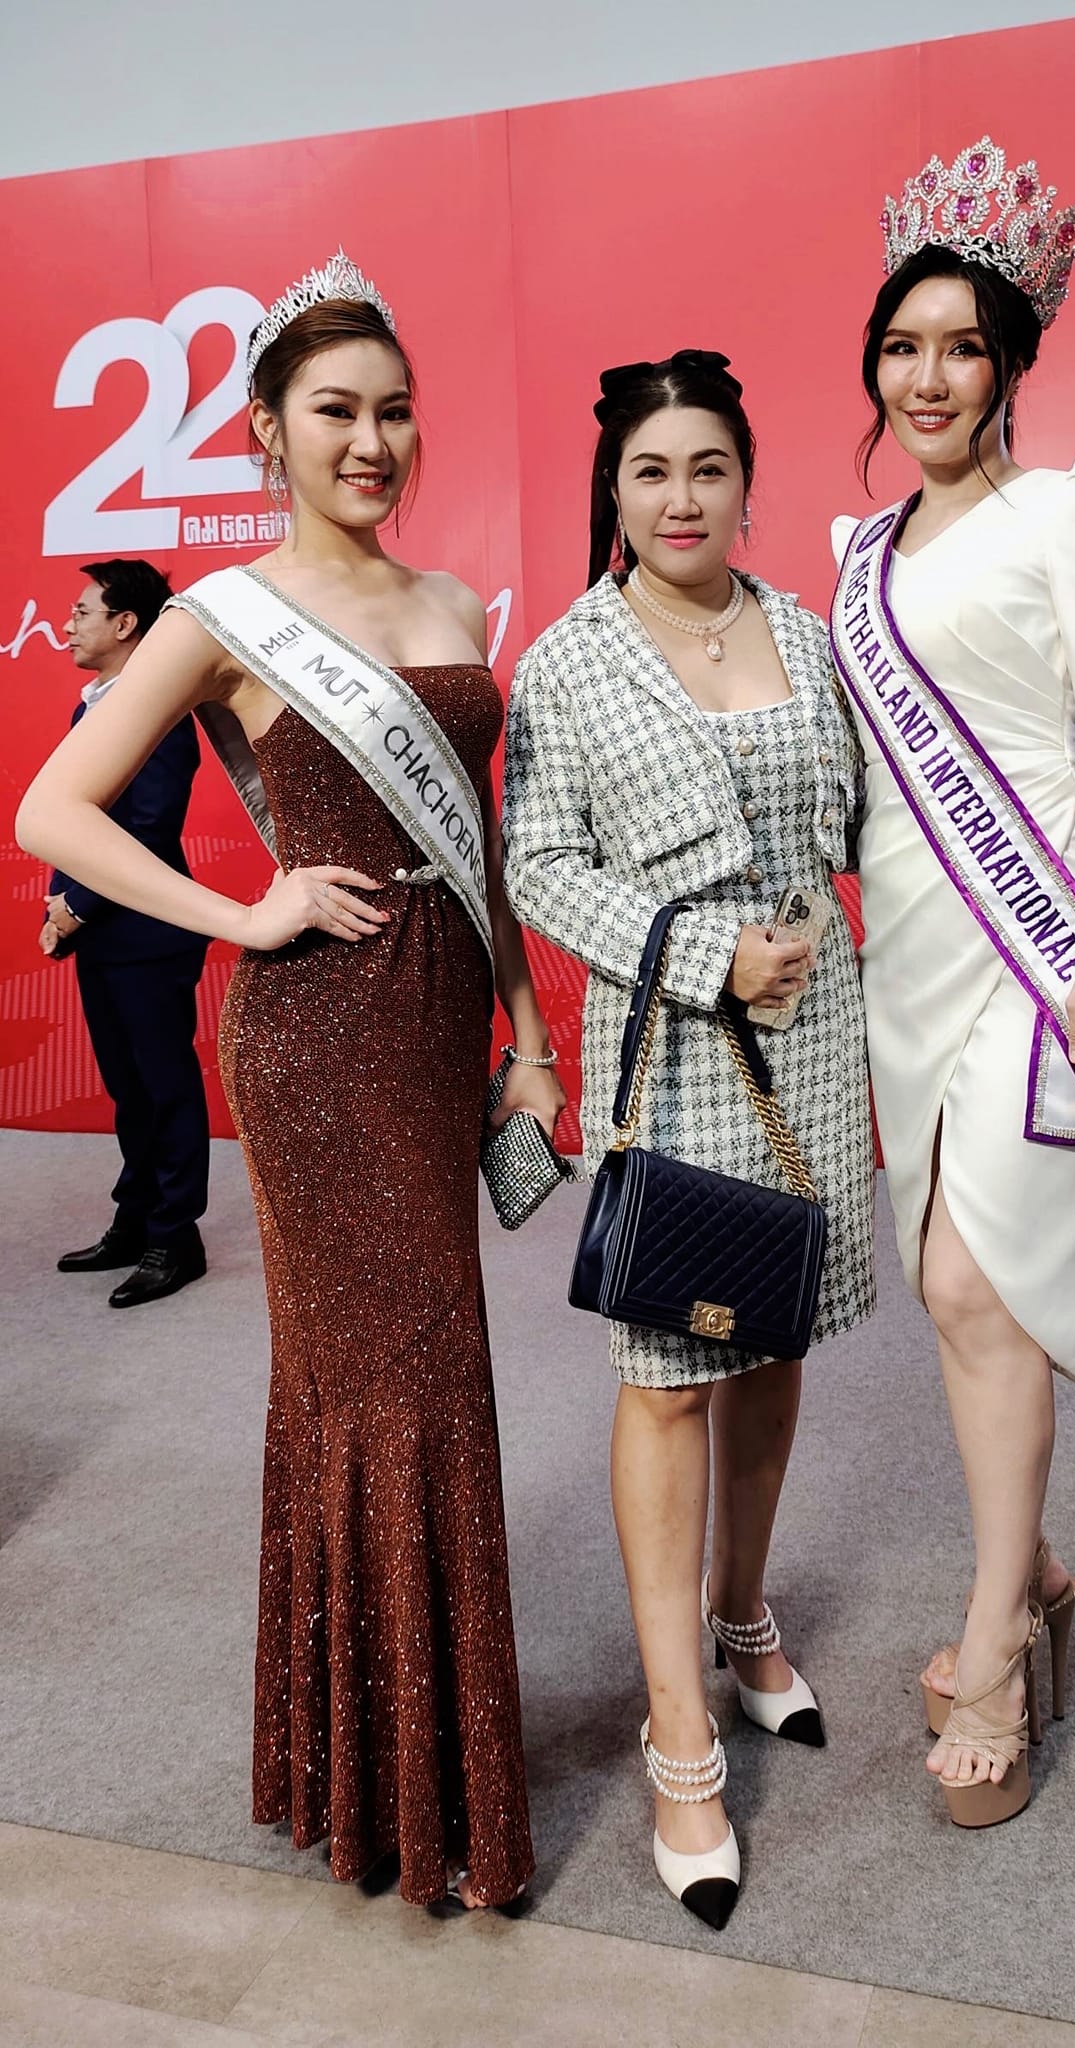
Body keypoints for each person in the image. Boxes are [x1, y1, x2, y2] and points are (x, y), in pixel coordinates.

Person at [17, 249, 564, 1909]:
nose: (372, 441)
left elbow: (479, 843)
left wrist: (530, 1033)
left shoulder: (452, 602)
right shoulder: (221, 618)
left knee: (439, 1375)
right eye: (336, 410)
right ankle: (392, 1781)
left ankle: (402, 1762)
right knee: (377, 1381)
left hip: (438, 1023)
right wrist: (241, 910)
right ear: (267, 428)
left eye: (395, 410)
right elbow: (51, 808)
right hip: (317, 1035)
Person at [831, 139, 1075, 1826]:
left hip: (1036, 949)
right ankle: (1034, 1566)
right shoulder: (858, 554)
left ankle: (994, 1641)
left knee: (980, 1284)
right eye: (903, 346)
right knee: (947, 1284)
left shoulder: (1074, 509)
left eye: (963, 347)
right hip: (903, 960)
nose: (929, 377)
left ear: (1010, 363)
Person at [503, 349, 875, 1927]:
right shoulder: (570, 662)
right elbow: (537, 863)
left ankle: (742, 1613)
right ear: (615, 489)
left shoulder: (809, 632)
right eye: (651, 471)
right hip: (674, 1053)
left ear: (745, 482)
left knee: (774, 1338)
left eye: (708, 467)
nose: (681, 498)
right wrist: (702, 948)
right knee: (668, 1375)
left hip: (817, 1047)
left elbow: (864, 829)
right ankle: (679, 1739)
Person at [43, 559, 210, 1308]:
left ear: (125, 623)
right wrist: (60, 904)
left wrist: (74, 906)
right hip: (104, 934)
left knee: (164, 1088)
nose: (67, 626)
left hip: (147, 934)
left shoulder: (158, 711)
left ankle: (176, 1238)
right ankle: (135, 1219)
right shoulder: (98, 706)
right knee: (128, 1090)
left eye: (82, 613)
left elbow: (146, 832)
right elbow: (73, 817)